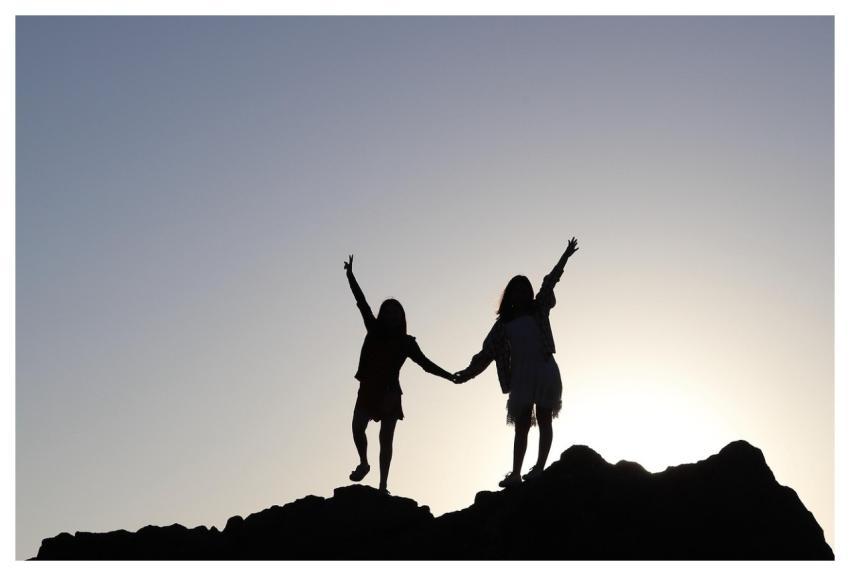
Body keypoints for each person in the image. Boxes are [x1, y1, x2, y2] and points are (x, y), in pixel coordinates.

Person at [454, 237, 579, 488]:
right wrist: (466, 374)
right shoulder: (503, 324)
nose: (521, 293)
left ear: (529, 293)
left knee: (544, 418)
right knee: (521, 426)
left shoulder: (539, 309)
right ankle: (515, 474)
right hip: (521, 376)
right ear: (510, 294)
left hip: (544, 369)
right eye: (516, 289)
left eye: (525, 289)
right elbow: (486, 353)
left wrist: (565, 256)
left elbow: (550, 281)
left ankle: (539, 468)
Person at [344, 254, 455, 494]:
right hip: (368, 389)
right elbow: (362, 302)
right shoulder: (374, 329)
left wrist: (449, 376)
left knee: (386, 440)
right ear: (382, 315)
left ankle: (383, 486)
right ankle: (364, 463)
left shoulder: (406, 342)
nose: (392, 316)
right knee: (357, 427)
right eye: (388, 311)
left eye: (397, 312)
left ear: (402, 318)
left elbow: (426, 364)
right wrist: (350, 276)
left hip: (390, 393)